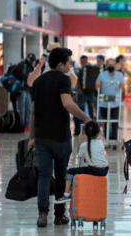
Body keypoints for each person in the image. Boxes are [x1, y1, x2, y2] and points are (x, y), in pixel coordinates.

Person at [30, 47, 90, 227]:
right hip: (61, 137)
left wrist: (32, 136)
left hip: (41, 137)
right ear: (61, 64)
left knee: (44, 176)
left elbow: (33, 111)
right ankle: (59, 215)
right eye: (69, 62)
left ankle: (42, 214)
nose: (70, 65)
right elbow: (67, 103)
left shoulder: (39, 81)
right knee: (62, 175)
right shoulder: (64, 80)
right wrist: (86, 118)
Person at [55, 120, 109, 204]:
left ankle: (66, 194)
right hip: (105, 170)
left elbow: (81, 163)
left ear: (85, 134)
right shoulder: (100, 143)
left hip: (94, 170)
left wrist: (81, 141)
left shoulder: (84, 145)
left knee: (70, 171)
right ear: (98, 132)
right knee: (84, 169)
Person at [96, 58, 125, 141]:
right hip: (104, 103)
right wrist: (98, 86)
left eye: (112, 64)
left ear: (115, 65)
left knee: (115, 121)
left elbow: (122, 87)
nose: (111, 66)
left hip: (115, 103)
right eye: (109, 64)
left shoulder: (120, 75)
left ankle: (114, 139)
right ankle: (106, 138)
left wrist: (121, 91)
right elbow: (97, 85)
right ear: (106, 65)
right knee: (105, 121)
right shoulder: (102, 74)